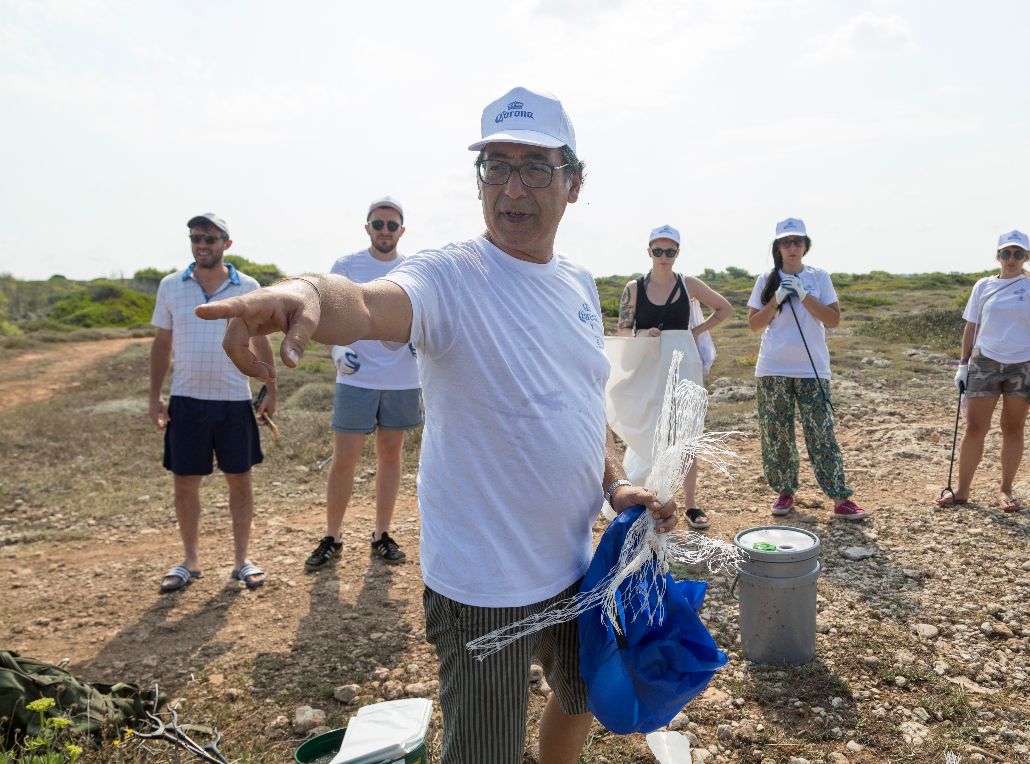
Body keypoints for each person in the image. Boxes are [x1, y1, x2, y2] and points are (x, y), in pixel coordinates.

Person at [195, 87, 676, 764]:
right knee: (485, 752)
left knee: (580, 696)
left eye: (535, 168)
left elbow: (581, 401)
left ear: (574, 182)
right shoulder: (450, 276)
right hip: (484, 585)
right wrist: (304, 291)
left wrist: (615, 484)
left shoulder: (575, 283)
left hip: (574, 564)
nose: (512, 188)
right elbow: (365, 304)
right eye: (496, 166)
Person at [148, 213, 277, 593]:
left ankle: (242, 560)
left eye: (210, 238)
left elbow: (261, 340)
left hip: (234, 400)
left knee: (240, 480)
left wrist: (271, 388)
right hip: (186, 401)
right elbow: (162, 343)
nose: (202, 244)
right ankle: (190, 561)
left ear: (226, 244)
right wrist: (155, 396)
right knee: (185, 482)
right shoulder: (171, 285)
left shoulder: (248, 287)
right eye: (196, 237)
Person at [305, 196, 421, 571]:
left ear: (402, 230)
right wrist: (336, 350)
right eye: (378, 224)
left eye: (392, 225)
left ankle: (382, 534)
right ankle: (332, 536)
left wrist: (420, 344)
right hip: (356, 378)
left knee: (391, 455)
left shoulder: (412, 268)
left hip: (402, 379)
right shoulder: (346, 266)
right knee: (345, 458)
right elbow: (324, 314)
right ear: (367, 227)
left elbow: (424, 317)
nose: (384, 231)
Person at [746, 217, 870, 520]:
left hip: (812, 369)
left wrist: (804, 294)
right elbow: (754, 324)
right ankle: (785, 492)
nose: (792, 247)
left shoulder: (819, 276)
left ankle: (840, 497)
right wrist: (776, 299)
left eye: (797, 241)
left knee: (821, 432)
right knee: (777, 434)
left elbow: (833, 319)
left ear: (805, 245)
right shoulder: (765, 279)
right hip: (773, 368)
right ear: (778, 247)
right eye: (786, 242)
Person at [616, 224, 731, 530]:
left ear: (677, 253)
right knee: (649, 428)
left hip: (685, 367)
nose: (664, 256)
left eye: (670, 251)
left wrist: (694, 332)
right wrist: (642, 335)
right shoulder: (634, 288)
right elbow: (623, 331)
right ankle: (645, 499)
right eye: (658, 250)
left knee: (687, 434)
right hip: (649, 368)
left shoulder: (689, 284)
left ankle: (691, 504)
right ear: (649, 251)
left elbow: (724, 308)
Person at [934, 230, 1030, 511]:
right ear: (998, 256)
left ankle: (1005, 490)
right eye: (1006, 253)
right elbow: (971, 327)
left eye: (1018, 253)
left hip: (1023, 364)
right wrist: (963, 365)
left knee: (1012, 427)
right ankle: (962, 490)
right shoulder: (983, 286)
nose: (1011, 259)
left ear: (1026, 257)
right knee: (975, 427)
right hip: (984, 362)